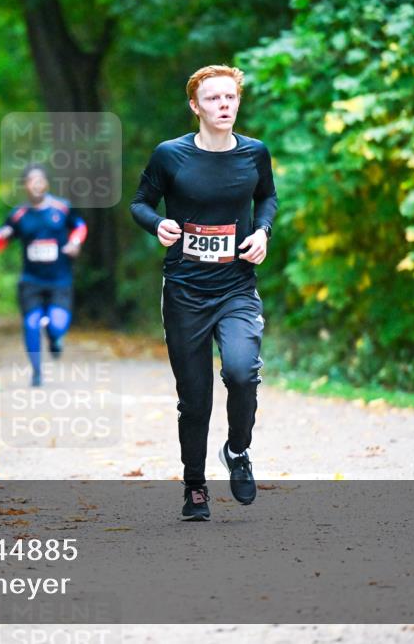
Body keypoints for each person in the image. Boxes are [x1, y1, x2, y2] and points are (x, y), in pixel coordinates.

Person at [130, 65, 278, 521]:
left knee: (240, 372)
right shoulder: (170, 156)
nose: (224, 105)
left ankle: (237, 450)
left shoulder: (254, 153)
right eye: (213, 99)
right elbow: (139, 203)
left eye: (230, 97)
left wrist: (263, 232)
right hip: (185, 292)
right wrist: (160, 225)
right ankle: (195, 486)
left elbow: (267, 198)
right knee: (194, 398)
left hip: (236, 287)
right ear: (195, 106)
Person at [0, 164, 87, 387]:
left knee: (56, 324)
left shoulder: (62, 208)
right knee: (31, 323)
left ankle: (54, 337)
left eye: (40, 180)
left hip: (59, 279)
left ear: (46, 184)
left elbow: (80, 226)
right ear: (25, 185)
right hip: (31, 281)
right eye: (31, 180)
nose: (36, 184)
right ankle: (36, 372)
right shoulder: (18, 215)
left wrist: (75, 243)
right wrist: (2, 236)